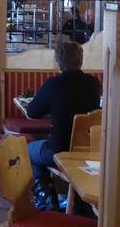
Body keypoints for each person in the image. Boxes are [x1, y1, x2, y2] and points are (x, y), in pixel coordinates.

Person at [25, 42, 101, 208]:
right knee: (43, 148)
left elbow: (32, 112)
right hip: (87, 151)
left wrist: (52, 107)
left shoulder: (54, 83)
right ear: (80, 61)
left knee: (28, 150)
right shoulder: (94, 83)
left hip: (58, 150)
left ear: (59, 62)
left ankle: (45, 196)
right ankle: (75, 199)